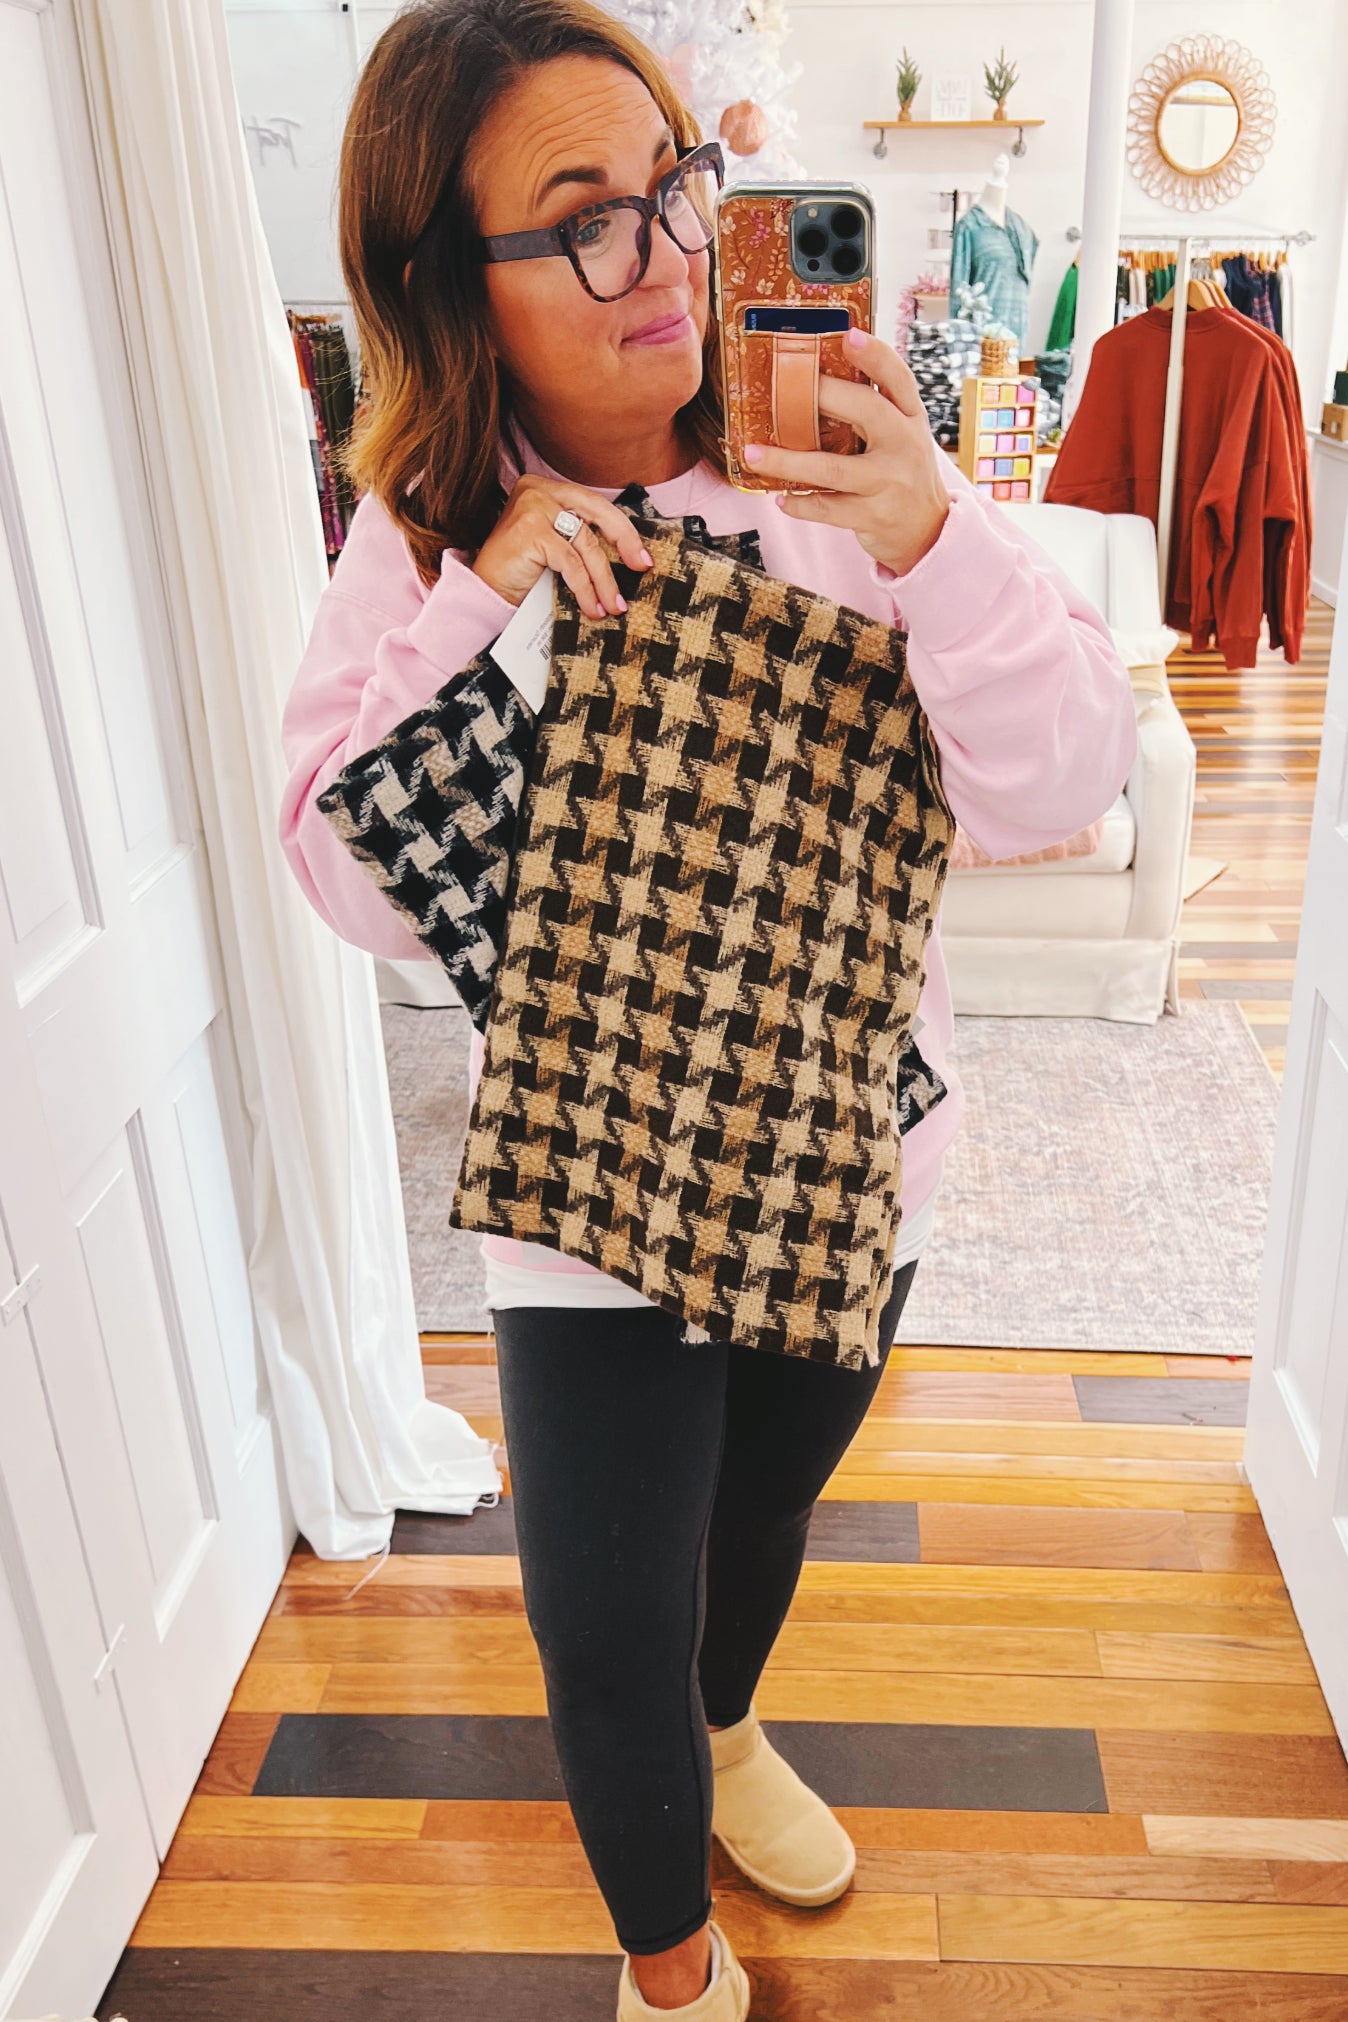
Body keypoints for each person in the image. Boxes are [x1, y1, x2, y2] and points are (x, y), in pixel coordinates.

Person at [277, 3, 1137, 2014]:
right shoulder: (426, 530)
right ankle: (669, 1973)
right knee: (599, 1626)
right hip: (587, 1179)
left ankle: (732, 1728)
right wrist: (484, 594)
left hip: (848, 1153)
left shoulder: (848, 471)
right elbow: (343, 868)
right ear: (453, 284)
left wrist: (929, 535)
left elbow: (1057, 782)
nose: (666, 253)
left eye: (673, 185)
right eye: (584, 218)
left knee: (757, 1517)